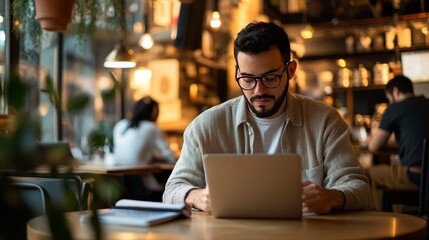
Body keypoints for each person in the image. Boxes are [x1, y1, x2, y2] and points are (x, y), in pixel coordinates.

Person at [163, 21, 373, 213]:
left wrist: (332, 197)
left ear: (290, 71)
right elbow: (172, 190)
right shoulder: (206, 126)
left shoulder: (325, 121)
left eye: (270, 78)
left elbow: (360, 188)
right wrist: (197, 196)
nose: (258, 90)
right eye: (247, 79)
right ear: (237, 73)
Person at [367, 75, 429, 210]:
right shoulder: (426, 103)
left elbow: (373, 146)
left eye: (389, 99)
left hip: (416, 176)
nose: (390, 102)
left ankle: (381, 221)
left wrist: (372, 138)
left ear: (395, 91)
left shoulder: (395, 108)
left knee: (372, 173)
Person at [113, 96, 176, 200]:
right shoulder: (151, 127)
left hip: (118, 181)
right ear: (154, 113)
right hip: (142, 183)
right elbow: (170, 157)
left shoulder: (120, 125)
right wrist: (155, 157)